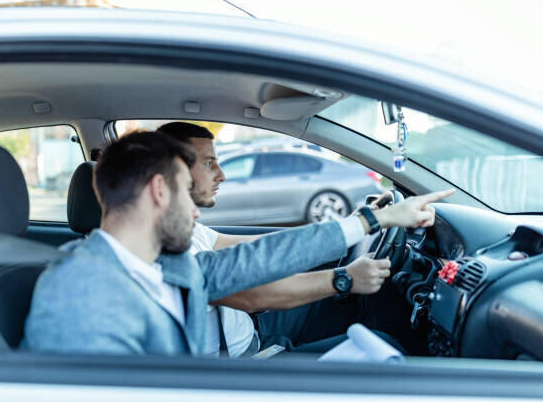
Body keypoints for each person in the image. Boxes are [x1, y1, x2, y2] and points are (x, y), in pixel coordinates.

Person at [22, 131, 453, 356]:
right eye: (185, 193)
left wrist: (373, 219)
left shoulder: (169, 266)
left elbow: (261, 256)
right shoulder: (79, 289)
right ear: (159, 191)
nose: (195, 213)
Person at [156, 122, 422, 356]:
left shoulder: (189, 230)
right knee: (385, 346)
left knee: (351, 308)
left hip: (253, 329)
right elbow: (252, 297)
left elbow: (263, 249)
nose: (222, 175)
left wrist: (350, 227)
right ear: (170, 174)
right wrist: (345, 279)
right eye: (208, 163)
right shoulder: (167, 250)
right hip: (244, 361)